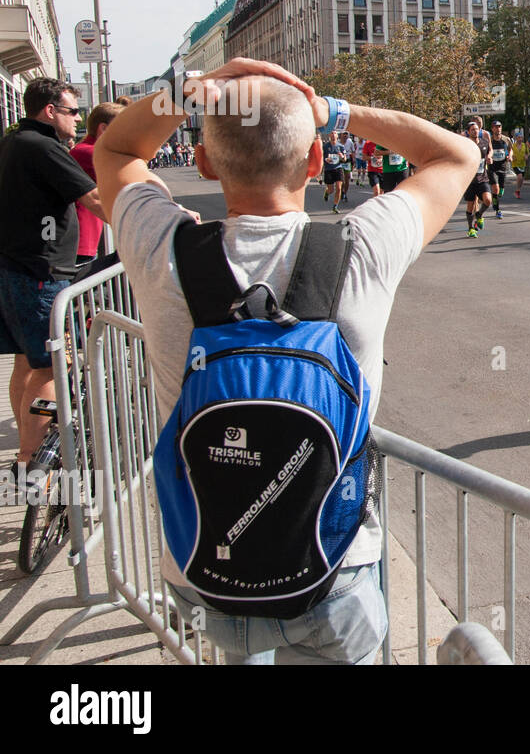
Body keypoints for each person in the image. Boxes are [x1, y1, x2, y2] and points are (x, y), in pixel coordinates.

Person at [94, 56, 480, 664]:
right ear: (316, 160)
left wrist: (193, 91)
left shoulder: (160, 246)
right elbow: (458, 155)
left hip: (204, 570)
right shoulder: (362, 245)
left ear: (202, 162)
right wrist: (336, 111)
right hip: (333, 572)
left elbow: (114, 151)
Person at [0, 78, 106, 491]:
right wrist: (146, 228)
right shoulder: (43, 148)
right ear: (49, 111)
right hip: (38, 272)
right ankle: (31, 465)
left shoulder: (13, 141)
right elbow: (94, 199)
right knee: (50, 365)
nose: (78, 119)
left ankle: (25, 456)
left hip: (14, 267)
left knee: (25, 362)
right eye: (72, 111)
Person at [70, 102, 124, 266]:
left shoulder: (85, 149)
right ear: (103, 129)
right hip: (82, 239)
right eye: (122, 127)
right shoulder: (90, 152)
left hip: (85, 237)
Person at [463, 120, 493, 237]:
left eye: (476, 129)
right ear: (468, 132)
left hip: (482, 178)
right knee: (470, 205)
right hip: (470, 180)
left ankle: (479, 215)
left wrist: (490, 157)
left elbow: (490, 151)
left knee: (488, 200)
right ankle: (470, 229)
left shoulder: (484, 142)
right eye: (472, 130)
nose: (475, 131)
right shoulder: (466, 145)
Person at [487, 120, 511, 220]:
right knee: (495, 189)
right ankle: (497, 210)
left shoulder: (506, 139)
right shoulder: (489, 140)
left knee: (500, 191)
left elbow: (510, 149)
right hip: (492, 167)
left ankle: (495, 198)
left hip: (502, 167)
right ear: (492, 129)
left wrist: (510, 156)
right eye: (496, 127)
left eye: (499, 127)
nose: (498, 129)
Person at [322, 131, 345, 212]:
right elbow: (322, 158)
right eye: (331, 133)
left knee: (339, 188)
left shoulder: (341, 146)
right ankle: (327, 192)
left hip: (338, 168)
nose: (333, 135)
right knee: (331, 190)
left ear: (337, 135)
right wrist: (326, 159)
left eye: (334, 133)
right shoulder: (325, 146)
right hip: (329, 169)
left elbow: (344, 159)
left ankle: (335, 206)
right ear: (329, 135)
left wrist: (342, 157)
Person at [511, 128, 529, 199]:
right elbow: (510, 153)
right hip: (515, 164)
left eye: (521, 137)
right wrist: (512, 157)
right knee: (520, 176)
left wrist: (526, 156)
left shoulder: (525, 146)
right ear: (516, 138)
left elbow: (528, 153)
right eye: (518, 137)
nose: (520, 139)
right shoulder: (513, 146)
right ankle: (518, 191)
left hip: (522, 164)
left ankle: (518, 190)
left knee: (521, 179)